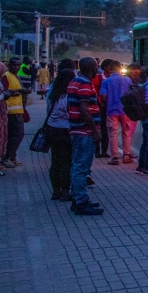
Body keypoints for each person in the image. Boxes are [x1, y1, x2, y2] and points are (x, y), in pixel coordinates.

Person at [66, 58, 104, 215]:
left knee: (77, 166)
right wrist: (95, 131)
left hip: (77, 130)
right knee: (81, 168)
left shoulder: (74, 81)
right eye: (96, 67)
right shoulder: (85, 84)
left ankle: (78, 199)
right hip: (84, 132)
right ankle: (81, 201)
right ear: (93, 68)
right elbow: (84, 109)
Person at [45, 60, 76, 201]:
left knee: (55, 161)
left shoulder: (53, 94)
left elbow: (48, 111)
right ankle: (65, 191)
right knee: (66, 162)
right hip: (65, 131)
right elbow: (71, 114)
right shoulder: (68, 96)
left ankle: (55, 191)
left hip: (52, 129)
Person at [99, 62, 136, 164]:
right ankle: (126, 155)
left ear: (110, 69)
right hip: (125, 111)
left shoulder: (106, 82)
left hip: (111, 110)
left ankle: (115, 157)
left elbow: (103, 96)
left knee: (112, 134)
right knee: (126, 133)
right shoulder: (128, 80)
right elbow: (133, 94)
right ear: (120, 68)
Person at [1, 57, 28, 168]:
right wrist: (19, 91)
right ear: (9, 65)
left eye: (18, 65)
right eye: (14, 65)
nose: (16, 67)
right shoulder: (6, 76)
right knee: (17, 134)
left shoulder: (16, 76)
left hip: (18, 110)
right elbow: (4, 91)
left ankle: (12, 157)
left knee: (15, 135)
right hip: (11, 110)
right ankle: (6, 157)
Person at [93, 60, 112, 158]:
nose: (111, 69)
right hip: (99, 107)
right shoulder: (98, 78)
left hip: (109, 107)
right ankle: (97, 151)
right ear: (104, 67)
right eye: (109, 66)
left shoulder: (114, 78)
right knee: (98, 129)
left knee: (106, 129)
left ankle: (104, 150)